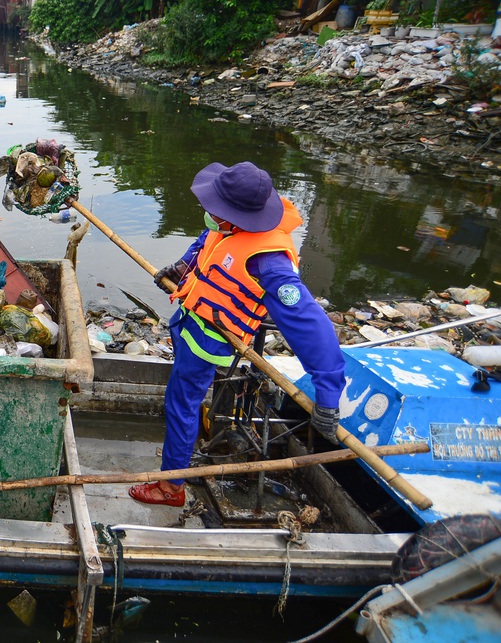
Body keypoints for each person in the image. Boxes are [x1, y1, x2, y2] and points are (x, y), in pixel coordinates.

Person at [130, 162, 345, 507]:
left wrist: (329, 391)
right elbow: (207, 244)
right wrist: (181, 267)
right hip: (189, 322)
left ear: (237, 216)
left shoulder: (271, 262)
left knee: (181, 405)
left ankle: (171, 487)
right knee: (181, 401)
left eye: (215, 209)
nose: (208, 213)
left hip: (209, 340)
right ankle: (187, 452)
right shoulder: (228, 227)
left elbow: (309, 324)